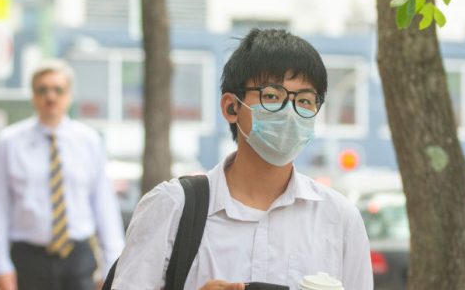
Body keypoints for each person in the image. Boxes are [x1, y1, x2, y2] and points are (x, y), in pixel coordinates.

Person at [112, 29, 373, 290]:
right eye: (272, 96)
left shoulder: (339, 218)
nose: (290, 112)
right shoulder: (172, 208)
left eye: (305, 101)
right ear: (231, 107)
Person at [0, 59, 124, 290]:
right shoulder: (9, 142)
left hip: (77, 258)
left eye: (58, 90)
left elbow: (104, 205)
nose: (51, 97)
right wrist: (0, 264)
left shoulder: (89, 141)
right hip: (28, 257)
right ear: (33, 96)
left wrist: (112, 266)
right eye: (43, 90)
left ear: (69, 96)